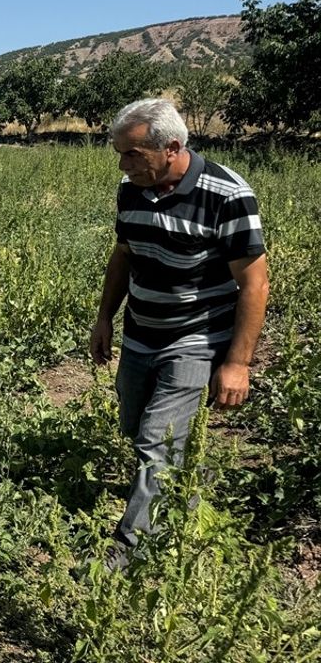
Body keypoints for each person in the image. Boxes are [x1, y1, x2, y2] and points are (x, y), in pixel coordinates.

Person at [90, 98, 268, 562]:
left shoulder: (226, 195)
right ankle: (184, 495)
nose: (125, 166)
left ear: (171, 148)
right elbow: (123, 255)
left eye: (133, 155)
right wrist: (105, 317)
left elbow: (254, 283)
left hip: (196, 336)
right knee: (135, 426)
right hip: (141, 332)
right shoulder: (131, 189)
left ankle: (129, 553)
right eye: (121, 156)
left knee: (157, 438)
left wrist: (237, 363)